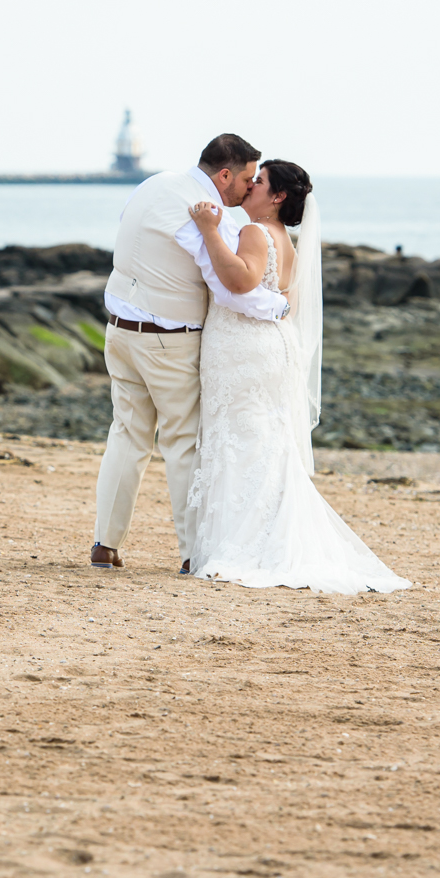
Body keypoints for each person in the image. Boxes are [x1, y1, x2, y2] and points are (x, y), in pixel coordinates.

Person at [182, 161, 410, 594]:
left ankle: (242, 546)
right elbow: (288, 302)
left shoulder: (255, 232)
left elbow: (241, 280)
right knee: (265, 443)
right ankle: (269, 538)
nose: (250, 187)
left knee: (242, 443)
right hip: (273, 347)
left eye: (260, 182)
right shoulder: (287, 241)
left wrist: (210, 230)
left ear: (278, 197)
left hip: (243, 350)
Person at [91, 134, 290, 571]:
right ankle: (191, 554)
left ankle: (105, 544)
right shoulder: (200, 215)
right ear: (224, 176)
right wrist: (279, 305)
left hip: (119, 329)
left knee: (127, 434)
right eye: (246, 179)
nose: (248, 188)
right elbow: (229, 286)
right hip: (168, 337)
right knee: (183, 442)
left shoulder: (153, 185)